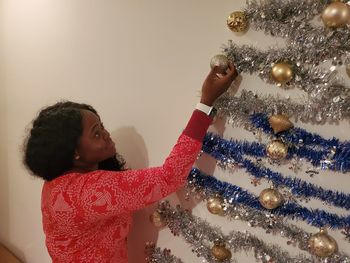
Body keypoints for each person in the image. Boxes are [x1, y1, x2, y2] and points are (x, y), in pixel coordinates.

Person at [23, 63, 238, 263]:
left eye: (102, 126)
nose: (106, 134)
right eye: (96, 134)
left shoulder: (56, 185)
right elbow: (169, 176)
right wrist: (206, 103)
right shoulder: (89, 192)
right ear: (74, 154)